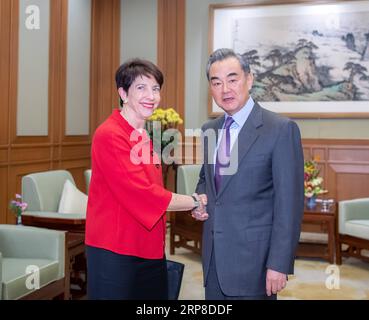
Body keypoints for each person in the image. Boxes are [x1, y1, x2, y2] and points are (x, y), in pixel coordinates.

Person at [85, 58, 208, 300]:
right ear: (123, 93)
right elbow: (142, 194)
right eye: (141, 88)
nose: (150, 96)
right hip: (116, 250)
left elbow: (153, 190)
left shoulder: (143, 135)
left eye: (155, 89)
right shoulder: (110, 134)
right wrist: (194, 201)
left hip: (148, 246)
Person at [195, 48, 304, 300]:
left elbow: (289, 205)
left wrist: (278, 263)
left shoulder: (280, 129)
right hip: (213, 261)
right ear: (210, 88)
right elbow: (207, 181)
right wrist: (200, 198)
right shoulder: (209, 129)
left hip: (255, 264)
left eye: (233, 79)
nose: (225, 89)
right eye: (217, 82)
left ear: (249, 79)